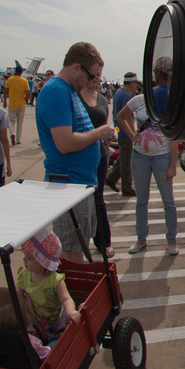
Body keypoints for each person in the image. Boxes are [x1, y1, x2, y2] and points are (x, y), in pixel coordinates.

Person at [35, 43, 115, 263]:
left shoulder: (67, 91)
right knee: (71, 252)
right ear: (77, 68)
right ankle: (73, 294)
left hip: (79, 182)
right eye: (91, 75)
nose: (91, 81)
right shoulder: (56, 91)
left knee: (78, 246)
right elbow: (64, 142)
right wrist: (99, 133)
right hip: (68, 183)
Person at [119, 57, 180, 256]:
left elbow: (172, 135)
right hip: (140, 157)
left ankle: (171, 240)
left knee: (168, 201)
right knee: (141, 201)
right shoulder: (139, 100)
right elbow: (121, 117)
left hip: (162, 157)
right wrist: (131, 134)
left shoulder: (169, 100)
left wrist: (173, 163)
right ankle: (141, 239)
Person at [17, 226, 81, 339]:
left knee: (65, 328)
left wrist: (70, 310)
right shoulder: (25, 275)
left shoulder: (55, 280)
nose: (24, 260)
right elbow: (16, 294)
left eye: (29, 258)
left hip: (56, 321)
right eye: (25, 256)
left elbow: (66, 298)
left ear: (43, 264)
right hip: (35, 320)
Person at [78, 70, 114, 258]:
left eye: (98, 74)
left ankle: (104, 241)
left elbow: (106, 127)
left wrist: (107, 152)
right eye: (91, 74)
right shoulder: (75, 96)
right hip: (80, 155)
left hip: (99, 155)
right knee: (79, 202)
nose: (95, 78)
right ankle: (79, 244)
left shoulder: (101, 99)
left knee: (98, 200)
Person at [0, 286, 50, 361]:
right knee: (54, 340)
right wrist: (49, 347)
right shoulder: (30, 342)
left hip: (7, 361)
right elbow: (45, 355)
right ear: (25, 318)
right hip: (36, 359)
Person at [104, 73, 139, 196]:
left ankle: (111, 178)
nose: (136, 86)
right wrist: (133, 133)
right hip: (125, 130)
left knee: (123, 155)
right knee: (127, 160)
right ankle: (127, 187)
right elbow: (127, 116)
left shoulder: (119, 92)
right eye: (136, 83)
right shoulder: (125, 95)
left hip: (119, 129)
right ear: (132, 83)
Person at [4, 65, 29, 146]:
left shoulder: (10, 79)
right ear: (21, 72)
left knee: (11, 121)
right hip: (21, 104)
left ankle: (12, 133)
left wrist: (5, 100)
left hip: (12, 104)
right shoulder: (24, 81)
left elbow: (5, 91)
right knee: (20, 123)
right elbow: (28, 93)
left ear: (15, 71)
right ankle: (18, 140)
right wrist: (25, 100)